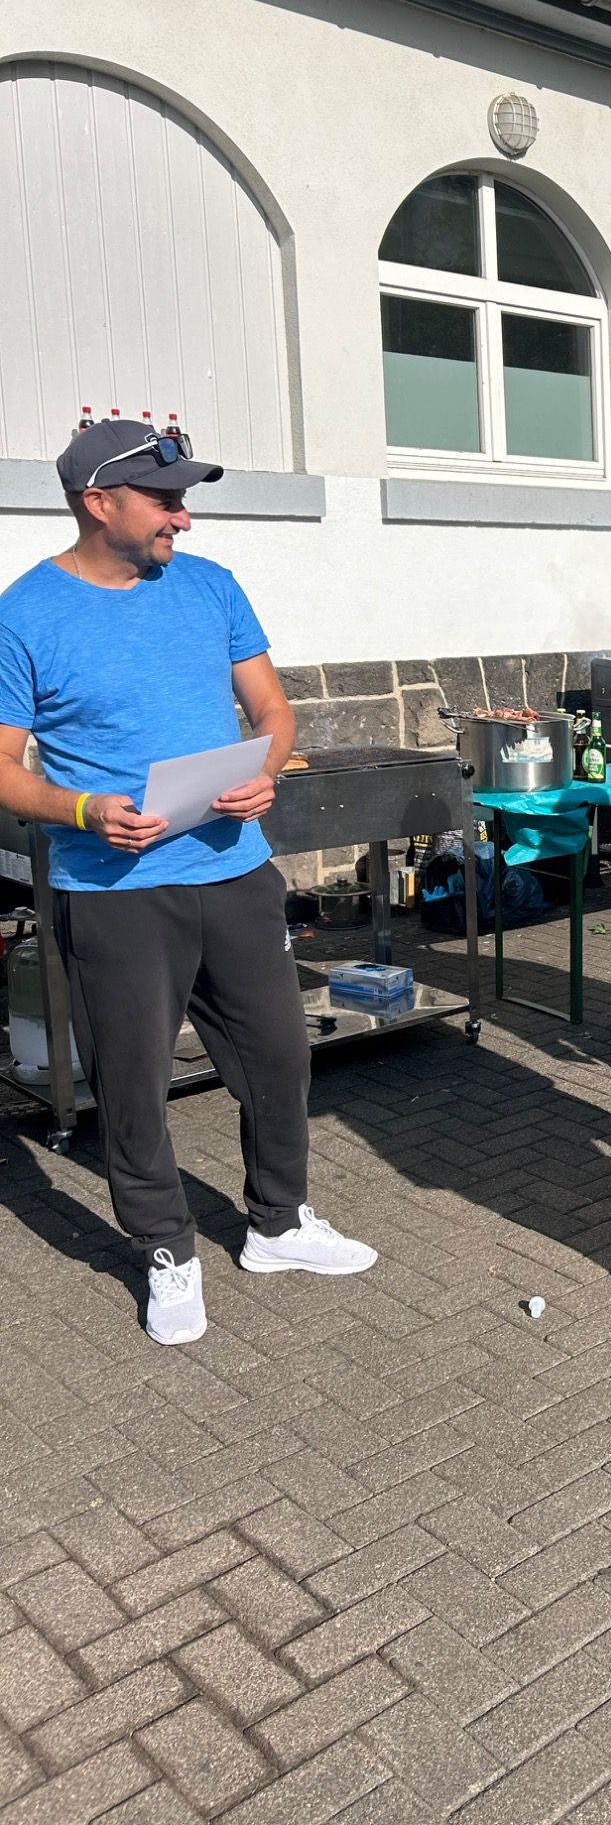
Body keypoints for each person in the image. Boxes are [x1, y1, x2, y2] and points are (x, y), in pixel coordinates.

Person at [0, 420, 376, 1348]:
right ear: (99, 501)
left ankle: (278, 1224)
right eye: (165, 499)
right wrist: (81, 809)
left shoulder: (211, 587)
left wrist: (267, 770)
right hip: (115, 891)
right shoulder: (25, 615)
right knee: (132, 1085)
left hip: (234, 869)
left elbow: (272, 710)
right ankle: (166, 1247)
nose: (185, 517)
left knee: (280, 1057)